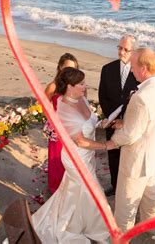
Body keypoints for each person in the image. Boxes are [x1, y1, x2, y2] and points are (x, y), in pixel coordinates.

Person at [33, 67, 110, 243]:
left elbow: (90, 122)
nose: (85, 86)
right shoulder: (64, 108)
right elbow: (81, 141)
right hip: (76, 159)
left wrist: (103, 123)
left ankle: (83, 224)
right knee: (94, 193)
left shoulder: (81, 98)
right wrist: (107, 145)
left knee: (76, 192)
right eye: (81, 83)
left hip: (88, 157)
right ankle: (94, 230)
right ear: (69, 86)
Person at [105, 48, 155, 232]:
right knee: (151, 197)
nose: (131, 70)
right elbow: (150, 120)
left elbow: (130, 135)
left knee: (125, 206)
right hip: (154, 155)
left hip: (136, 161)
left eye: (133, 66)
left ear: (144, 69)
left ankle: (122, 237)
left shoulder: (141, 97)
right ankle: (152, 233)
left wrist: (111, 142)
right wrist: (125, 121)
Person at [98, 35, 139, 196]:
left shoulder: (139, 71)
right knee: (113, 155)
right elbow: (103, 96)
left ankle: (127, 187)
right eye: (119, 48)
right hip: (112, 121)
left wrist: (125, 120)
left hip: (130, 123)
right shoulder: (107, 69)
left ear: (133, 51)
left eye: (126, 49)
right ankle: (115, 186)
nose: (122, 52)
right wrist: (112, 118)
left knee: (130, 157)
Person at [44, 53, 79, 194]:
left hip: (74, 131)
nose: (70, 72)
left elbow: (82, 108)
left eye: (73, 68)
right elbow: (45, 106)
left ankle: (70, 192)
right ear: (60, 67)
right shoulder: (53, 86)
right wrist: (55, 121)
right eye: (67, 68)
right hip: (58, 132)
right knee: (57, 163)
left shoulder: (79, 86)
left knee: (72, 163)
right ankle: (55, 192)